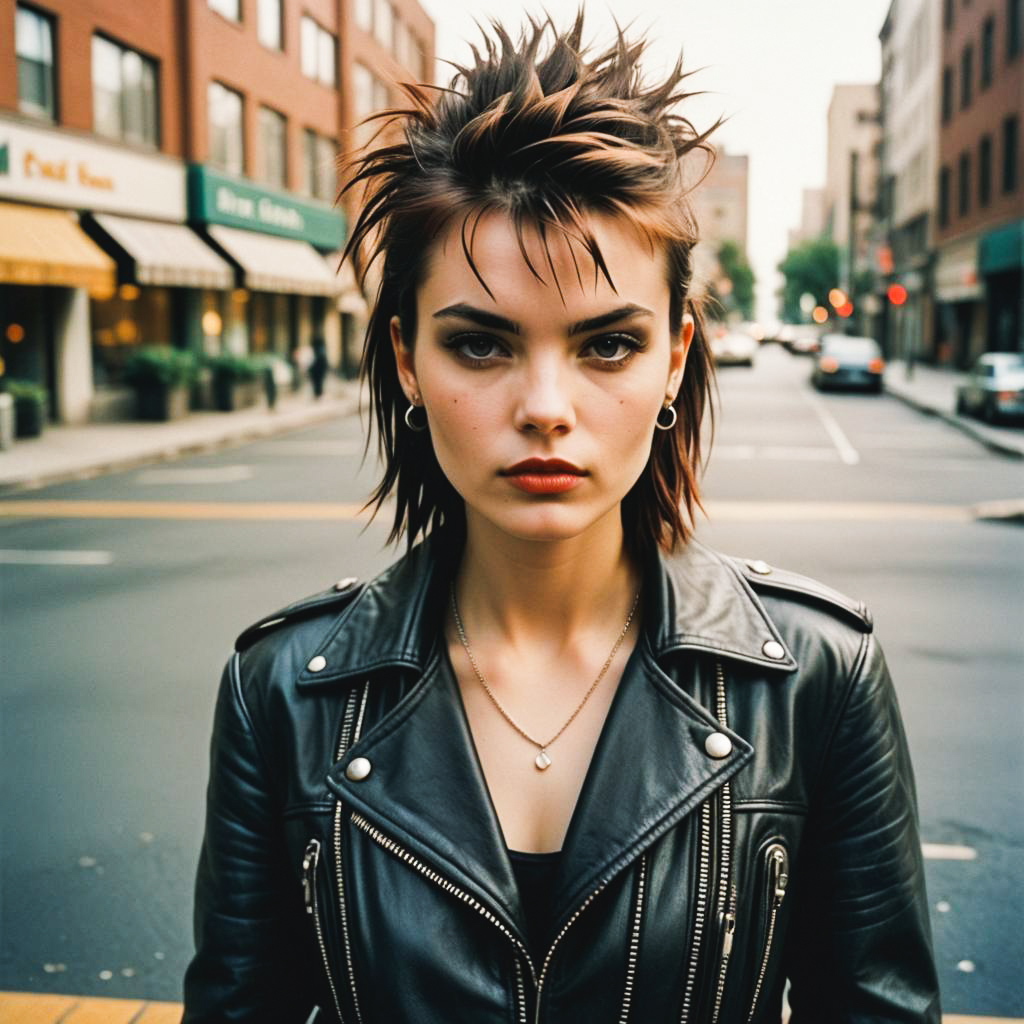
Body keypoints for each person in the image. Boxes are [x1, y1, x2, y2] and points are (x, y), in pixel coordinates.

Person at [183, 15, 940, 1023]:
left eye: (606, 345)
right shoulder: (279, 694)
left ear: (673, 356)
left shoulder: (814, 679)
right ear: (408, 359)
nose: (545, 404)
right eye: (484, 346)